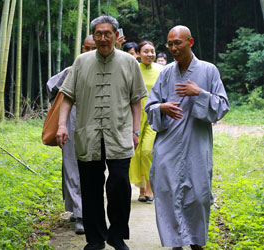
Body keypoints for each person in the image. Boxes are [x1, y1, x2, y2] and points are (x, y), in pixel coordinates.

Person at [56, 15, 148, 250]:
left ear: (117, 36)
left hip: (119, 134)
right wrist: (62, 125)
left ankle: (116, 236)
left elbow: (136, 100)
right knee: (90, 187)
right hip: (88, 134)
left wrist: (136, 130)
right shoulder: (81, 61)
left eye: (108, 33)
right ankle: (95, 239)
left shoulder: (129, 62)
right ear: (94, 37)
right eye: (99, 34)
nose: (103, 38)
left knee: (119, 185)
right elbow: (67, 96)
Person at [145, 25, 230, 250]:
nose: (173, 48)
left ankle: (196, 242)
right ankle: (175, 243)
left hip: (196, 144)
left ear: (190, 42)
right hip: (168, 145)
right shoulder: (166, 73)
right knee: (167, 194)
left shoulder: (209, 70)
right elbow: (150, 107)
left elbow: (222, 106)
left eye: (178, 43)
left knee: (199, 195)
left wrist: (199, 94)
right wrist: (161, 107)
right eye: (170, 44)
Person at [46, 35, 96, 235]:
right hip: (70, 125)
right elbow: (52, 87)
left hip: (95, 126)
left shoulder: (105, 71)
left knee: (92, 169)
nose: (91, 51)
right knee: (72, 168)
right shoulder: (71, 70)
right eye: (88, 47)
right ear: (83, 47)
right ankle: (80, 214)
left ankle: (83, 210)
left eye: (95, 48)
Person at [129, 40, 162, 202]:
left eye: (152, 51)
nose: (150, 54)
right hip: (135, 116)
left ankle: (150, 188)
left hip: (154, 116)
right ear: (138, 53)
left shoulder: (161, 70)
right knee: (135, 153)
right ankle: (141, 190)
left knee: (147, 151)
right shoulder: (133, 68)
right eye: (146, 51)